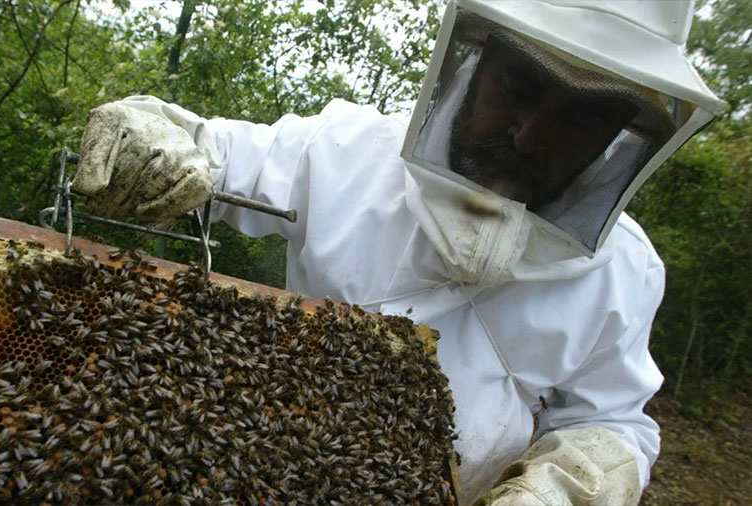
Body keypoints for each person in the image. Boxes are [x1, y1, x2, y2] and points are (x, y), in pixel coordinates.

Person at [72, 1, 724, 504]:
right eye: (519, 87)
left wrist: (578, 476)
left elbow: (614, 420)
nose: (528, 138)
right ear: (474, 60)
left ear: (620, 134)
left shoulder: (624, 273)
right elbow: (220, 157)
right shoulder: (348, 151)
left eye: (582, 117)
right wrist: (163, 139)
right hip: (248, 472)